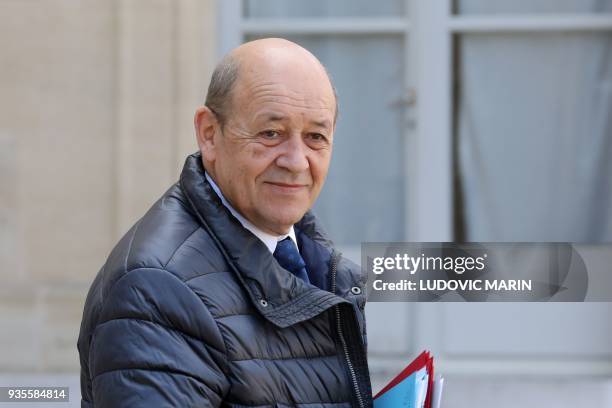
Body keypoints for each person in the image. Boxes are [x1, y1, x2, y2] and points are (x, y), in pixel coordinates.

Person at [78, 38, 372, 407]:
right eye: (271, 133)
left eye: (315, 137)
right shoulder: (155, 290)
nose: (297, 161)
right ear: (209, 134)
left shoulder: (319, 263)